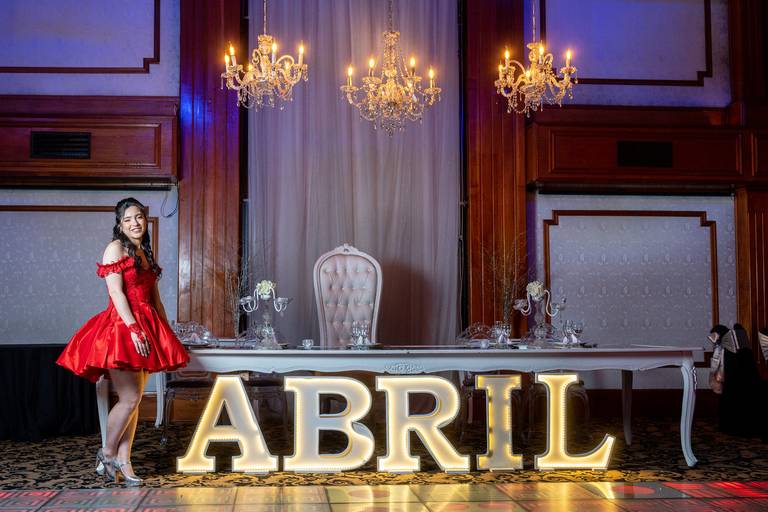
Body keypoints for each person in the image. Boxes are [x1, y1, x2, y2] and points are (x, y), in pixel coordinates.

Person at [57, 198, 189, 485]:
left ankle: (124, 460)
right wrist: (133, 328)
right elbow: (117, 293)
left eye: (139, 217)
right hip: (122, 326)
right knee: (129, 398)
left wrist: (165, 331)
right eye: (128, 219)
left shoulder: (143, 252)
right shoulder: (114, 248)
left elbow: (154, 299)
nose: (135, 223)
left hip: (146, 324)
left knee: (135, 399)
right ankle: (106, 452)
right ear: (119, 224)